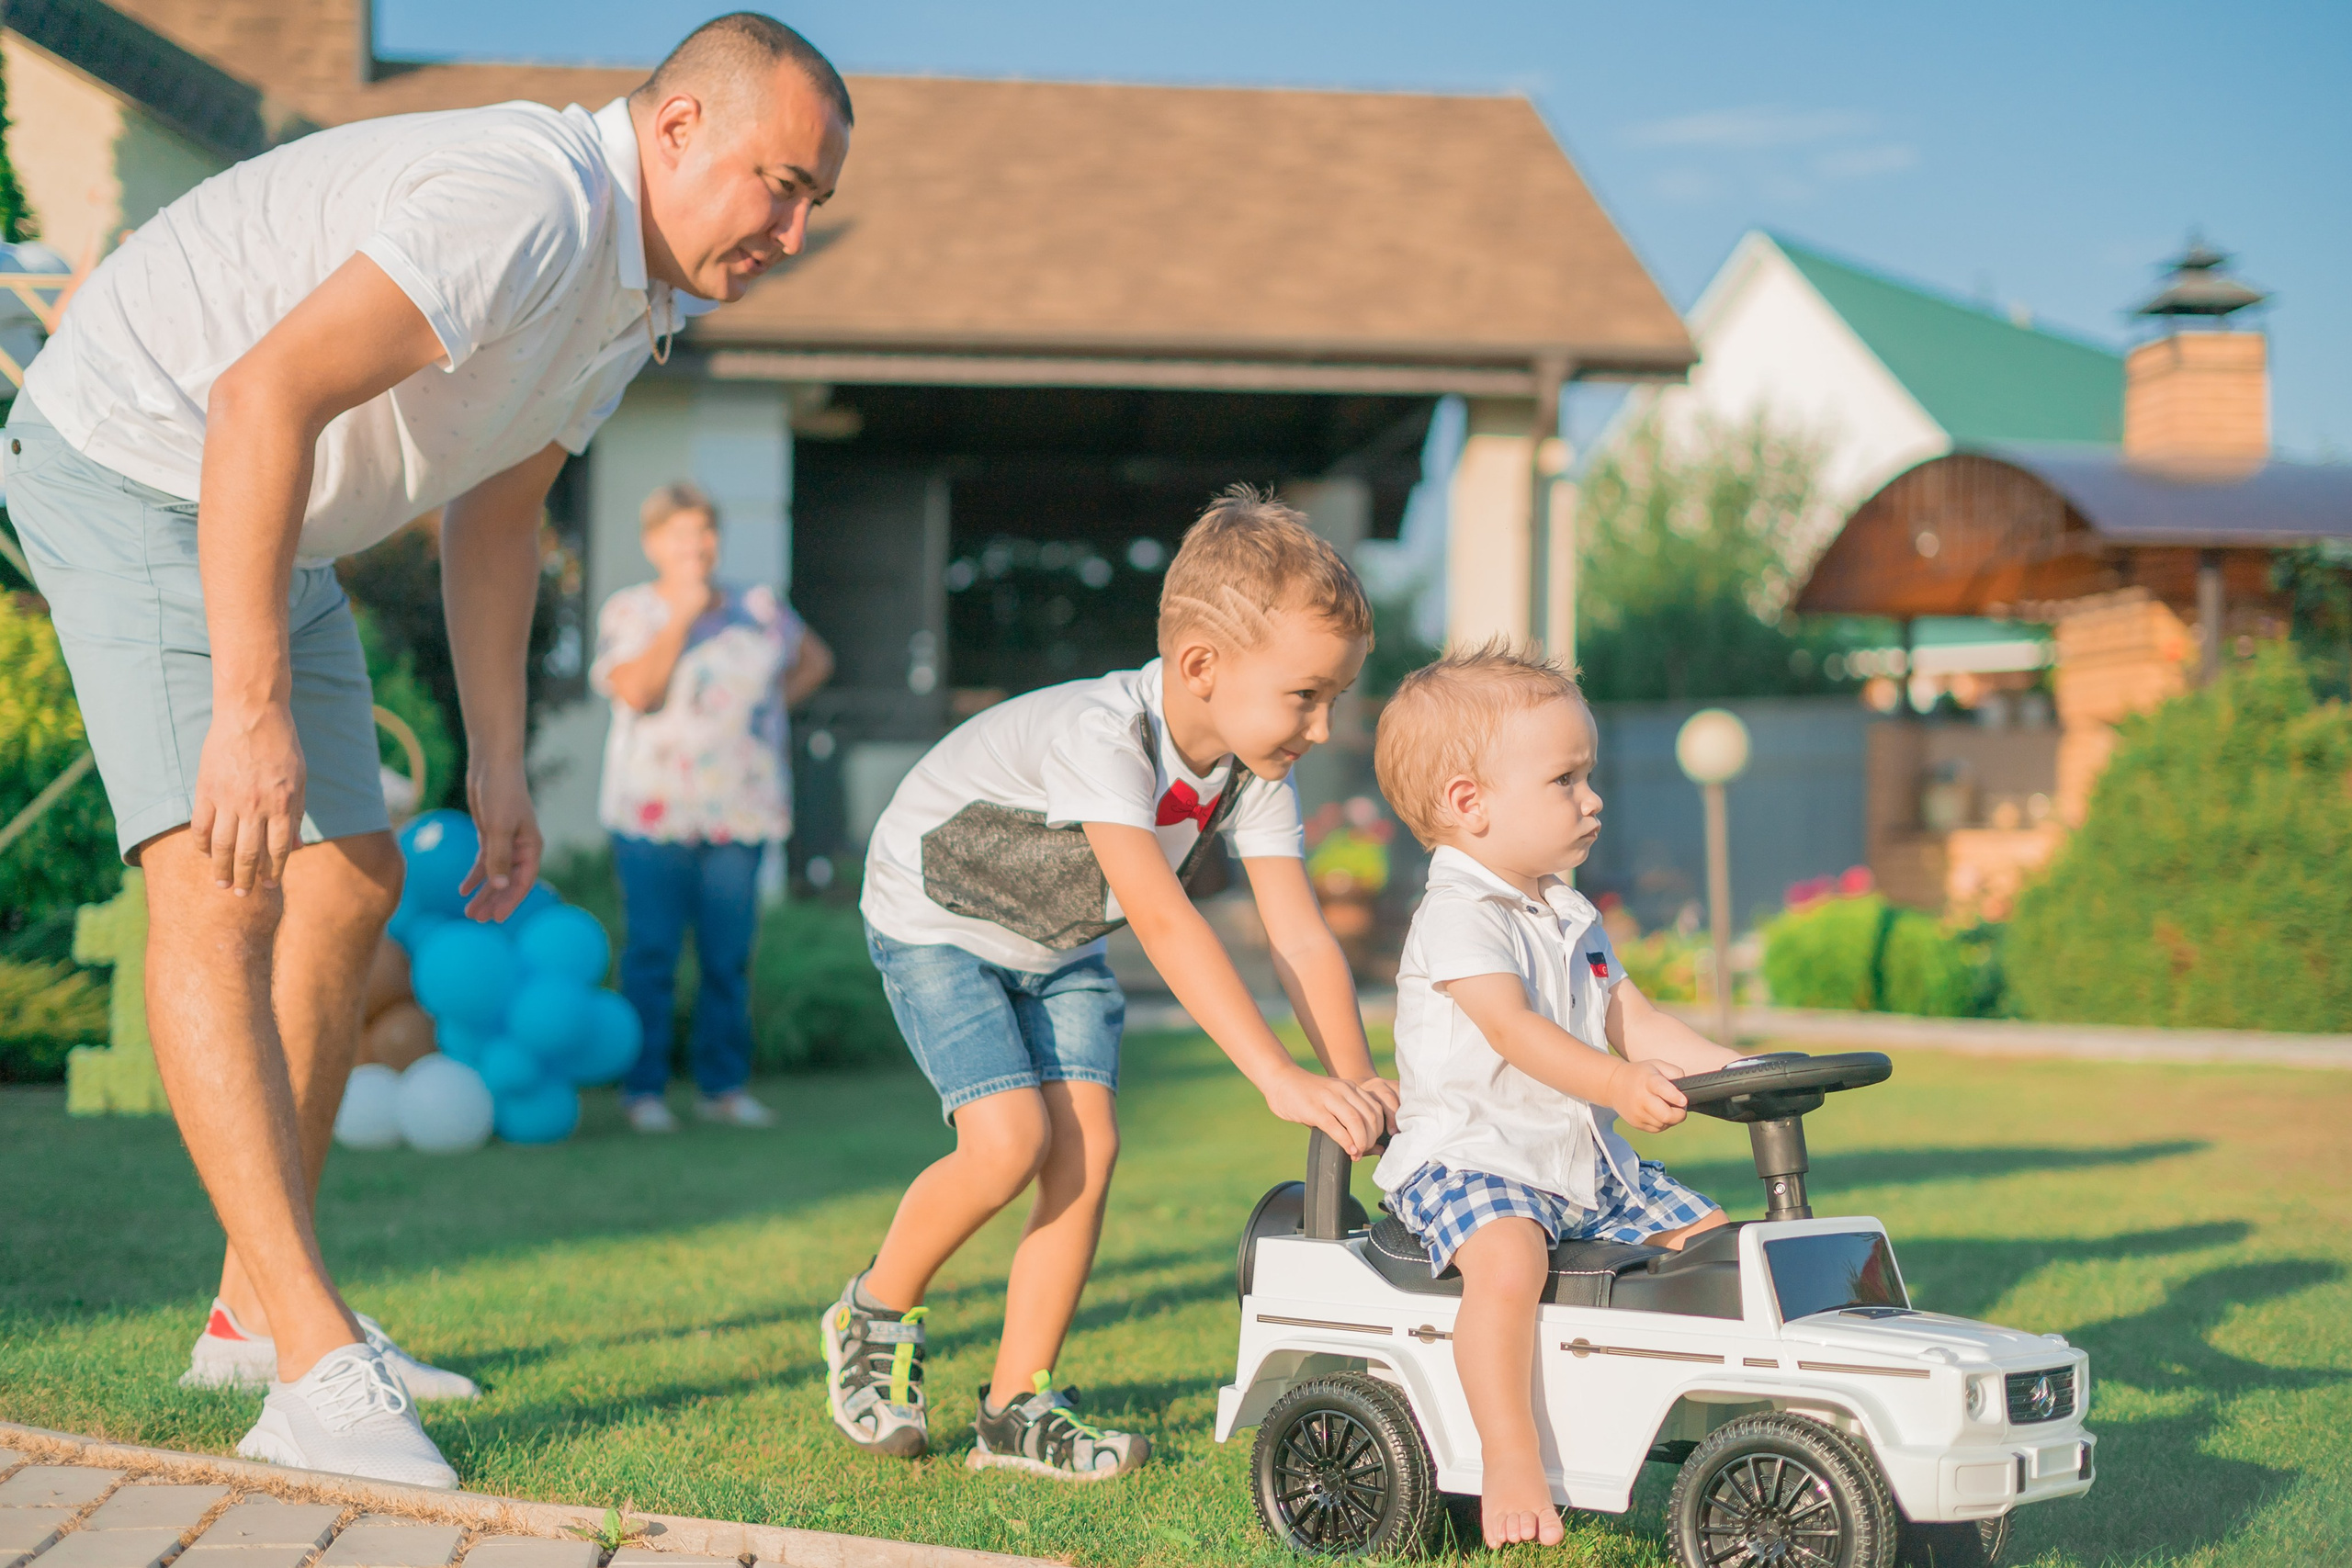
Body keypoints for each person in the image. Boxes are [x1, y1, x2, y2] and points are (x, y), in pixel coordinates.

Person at [0, 14, 851, 1487]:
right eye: (779, 183)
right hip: (137, 453)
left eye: (811, 203)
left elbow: (496, 515)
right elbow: (262, 395)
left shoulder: (637, 298)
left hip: (280, 511)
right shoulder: (527, 201)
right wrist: (251, 709)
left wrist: (500, 763)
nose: (789, 225)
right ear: (675, 133)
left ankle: (252, 1310)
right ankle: (316, 1365)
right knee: (223, 874)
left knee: (350, 880)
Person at [830, 487, 1397, 1479]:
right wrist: (1274, 1074)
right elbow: (1163, 917)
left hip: (1055, 948)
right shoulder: (1102, 733)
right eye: (1305, 694)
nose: (1321, 723)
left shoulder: (1255, 772)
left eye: (1335, 697)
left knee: (1084, 1151)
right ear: (1200, 667)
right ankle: (873, 1310)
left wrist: (1349, 1081)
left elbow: (1299, 936)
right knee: (1008, 1141)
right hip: (937, 927)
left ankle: (1014, 1408)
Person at [1368, 643, 1743, 1548]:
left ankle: (1705, 1431)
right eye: (1566, 780)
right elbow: (1513, 1031)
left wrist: (1739, 1073)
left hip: (1582, 1164)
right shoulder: (1459, 915)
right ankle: (1508, 1454)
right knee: (1508, 1267)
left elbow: (1632, 1019)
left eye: (1590, 776)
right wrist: (1618, 1083)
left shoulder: (1570, 912)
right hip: (1477, 1157)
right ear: (1471, 803)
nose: (1593, 799)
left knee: (1721, 1251)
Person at [591, 480, 833, 1133]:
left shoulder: (758, 606)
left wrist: (767, 708)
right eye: (679, 534)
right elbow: (637, 691)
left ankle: (722, 1088)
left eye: (703, 531)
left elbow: (815, 659)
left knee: (728, 956)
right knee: (653, 952)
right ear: (652, 544)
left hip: (742, 808)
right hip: (654, 814)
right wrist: (684, 615)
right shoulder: (632, 611)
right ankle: (643, 1091)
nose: (695, 545)